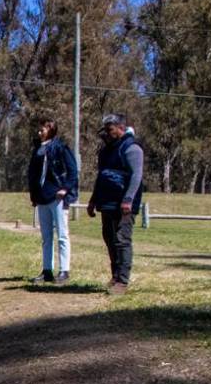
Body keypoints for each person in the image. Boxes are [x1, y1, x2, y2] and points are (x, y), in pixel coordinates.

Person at [87, 113, 144, 295]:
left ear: (121, 128)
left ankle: (123, 281)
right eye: (105, 130)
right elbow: (101, 176)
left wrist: (128, 199)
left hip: (124, 204)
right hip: (107, 202)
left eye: (110, 130)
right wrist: (93, 200)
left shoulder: (132, 148)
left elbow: (136, 176)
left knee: (121, 240)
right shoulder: (105, 151)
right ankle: (115, 275)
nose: (107, 133)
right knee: (109, 239)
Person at [27, 118, 79, 284]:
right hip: (42, 198)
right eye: (39, 129)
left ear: (51, 130)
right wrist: (34, 195)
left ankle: (64, 270)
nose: (39, 132)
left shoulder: (60, 148)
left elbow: (73, 171)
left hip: (57, 197)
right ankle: (47, 270)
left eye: (43, 129)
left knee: (62, 235)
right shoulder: (37, 150)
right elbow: (32, 174)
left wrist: (65, 189)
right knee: (46, 237)